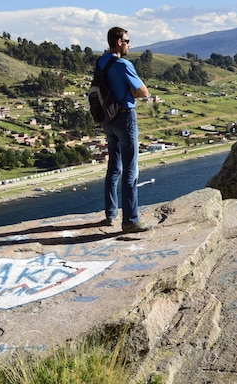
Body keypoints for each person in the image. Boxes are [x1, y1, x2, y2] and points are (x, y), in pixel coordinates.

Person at [99, 27, 151, 233]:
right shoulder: (123, 64)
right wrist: (131, 92)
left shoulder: (101, 61)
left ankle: (110, 214)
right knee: (131, 169)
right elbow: (143, 92)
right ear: (119, 42)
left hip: (107, 118)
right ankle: (130, 220)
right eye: (127, 40)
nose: (129, 44)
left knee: (114, 166)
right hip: (125, 117)